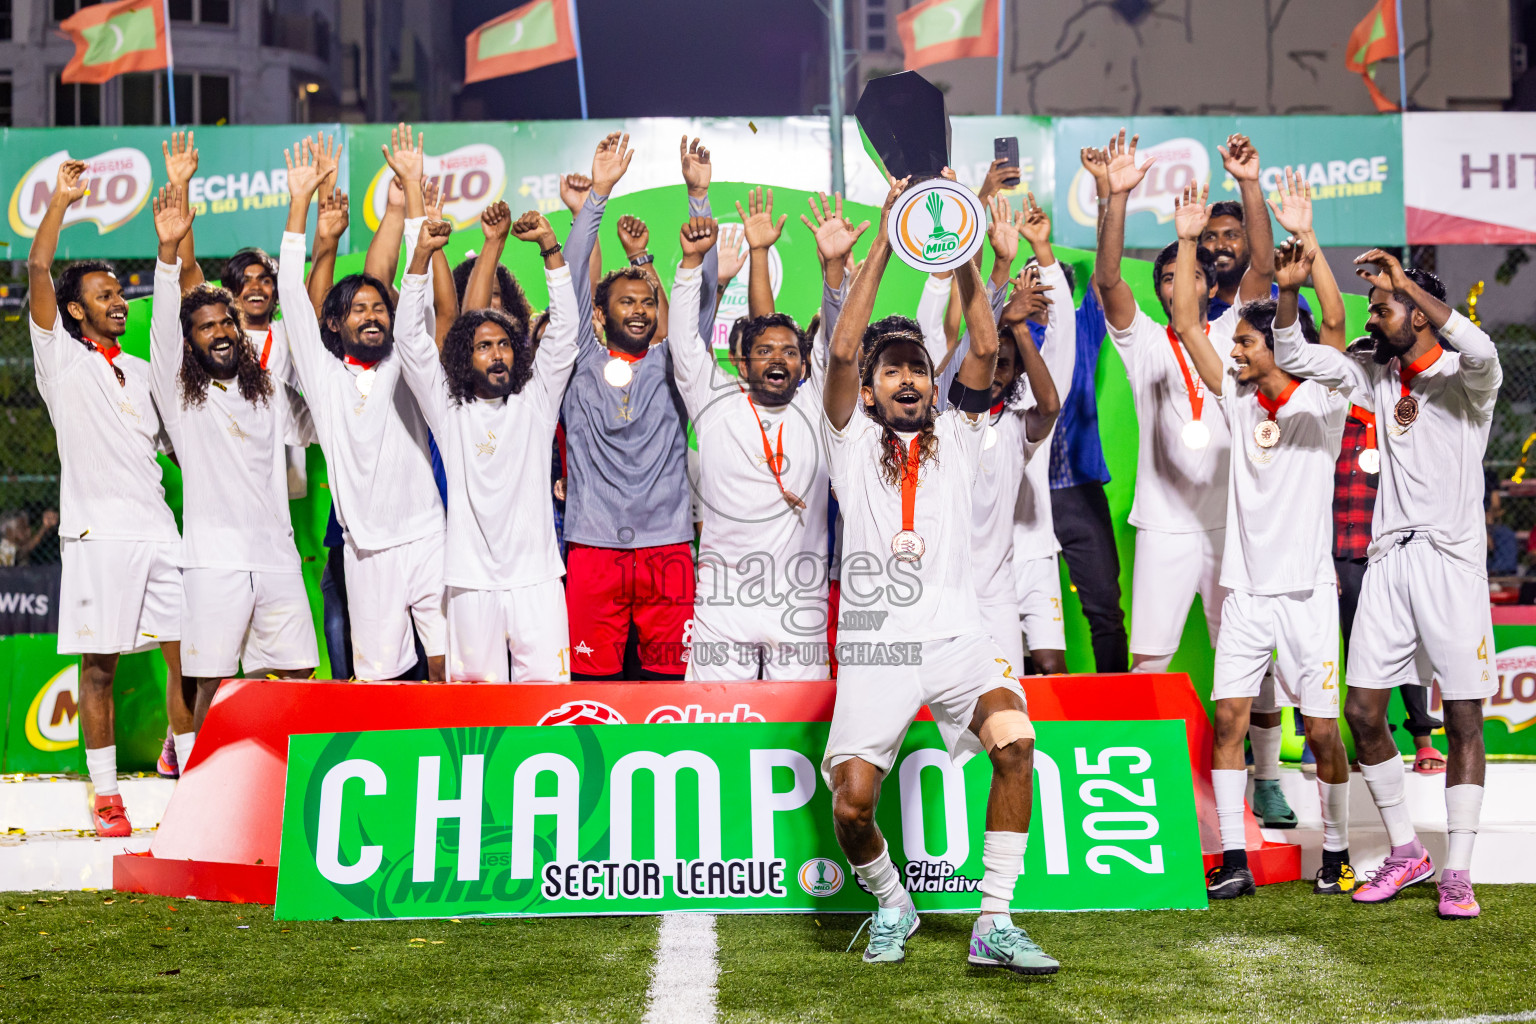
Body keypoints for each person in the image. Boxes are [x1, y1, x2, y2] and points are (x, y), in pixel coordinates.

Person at [822, 176, 1058, 976]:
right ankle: (893, 902)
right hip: (878, 646)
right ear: (873, 387)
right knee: (852, 805)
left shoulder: (958, 432)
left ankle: (995, 919)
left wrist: (960, 250)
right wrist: (891, 233)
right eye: (892, 372)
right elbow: (845, 349)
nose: (906, 379)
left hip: (959, 636)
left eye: (916, 366)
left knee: (1016, 744)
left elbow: (986, 348)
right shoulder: (848, 441)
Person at [1273, 246, 1500, 919]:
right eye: (1371, 306)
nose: (1372, 316)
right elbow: (1294, 354)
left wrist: (1406, 282)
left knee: (1462, 717)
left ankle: (1457, 871)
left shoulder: (1467, 380)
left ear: (1421, 314)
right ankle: (1409, 851)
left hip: (1452, 567)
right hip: (1388, 562)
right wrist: (1289, 292)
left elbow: (1482, 348)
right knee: (1363, 713)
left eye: (1384, 305)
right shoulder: (1376, 376)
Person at [1093, 130, 1294, 825]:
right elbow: (1109, 280)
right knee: (1150, 659)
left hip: (1234, 526)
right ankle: (1153, 784)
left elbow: (1264, 264)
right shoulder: (1145, 338)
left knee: (1250, 663)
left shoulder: (1238, 328)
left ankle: (1264, 776)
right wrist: (1115, 197)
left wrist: (1247, 185)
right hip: (1166, 528)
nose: (1180, 284)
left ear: (1212, 286)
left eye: (1190, 276)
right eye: (1170, 278)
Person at [1169, 183, 1356, 899]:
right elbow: (1188, 324)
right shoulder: (1237, 399)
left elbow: (1333, 323)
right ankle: (1233, 858)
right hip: (1246, 594)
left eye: (1244, 343)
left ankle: (1335, 851)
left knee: (1324, 731)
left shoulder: (1324, 403)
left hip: (1308, 595)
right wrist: (1187, 240)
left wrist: (1304, 246)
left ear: (1277, 344)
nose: (1235, 353)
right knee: (1228, 724)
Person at [26, 160, 186, 837]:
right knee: (99, 667)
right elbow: (38, 272)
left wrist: (171, 245)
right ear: (73, 309)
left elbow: (180, 444)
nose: (119, 300)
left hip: (159, 532)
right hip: (96, 537)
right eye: (103, 293)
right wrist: (60, 202)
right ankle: (106, 792)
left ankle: (189, 757)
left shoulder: (144, 372)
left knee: (192, 648)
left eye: (121, 291)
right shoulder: (60, 360)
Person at [148, 181, 318, 735]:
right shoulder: (179, 395)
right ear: (190, 339)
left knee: (297, 670)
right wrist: (170, 253)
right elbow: (162, 333)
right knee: (210, 681)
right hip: (213, 560)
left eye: (225, 323)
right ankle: (200, 783)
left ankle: (284, 788)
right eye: (205, 327)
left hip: (277, 556)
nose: (219, 332)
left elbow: (322, 423)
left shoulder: (267, 390)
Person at [279, 134, 447, 682]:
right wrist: (300, 203)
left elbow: (416, 288)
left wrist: (415, 197)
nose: (372, 315)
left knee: (450, 664)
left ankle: (462, 764)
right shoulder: (323, 377)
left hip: (428, 536)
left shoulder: (406, 361)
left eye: (379, 307)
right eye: (358, 309)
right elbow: (291, 293)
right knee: (380, 679)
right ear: (334, 324)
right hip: (366, 551)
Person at [671, 193, 857, 680]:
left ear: (802, 362)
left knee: (801, 738)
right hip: (721, 603)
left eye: (791, 352)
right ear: (742, 360)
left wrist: (833, 272)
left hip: (800, 605)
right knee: (712, 726)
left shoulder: (817, 405)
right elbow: (683, 342)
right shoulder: (714, 405)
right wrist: (691, 265)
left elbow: (840, 348)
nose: (779, 358)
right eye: (765, 350)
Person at [395, 204, 579, 682]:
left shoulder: (536, 402)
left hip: (537, 579)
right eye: (483, 345)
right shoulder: (447, 409)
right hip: (470, 584)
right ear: (463, 355)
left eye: (503, 344)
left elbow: (564, 334)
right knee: (475, 713)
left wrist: (549, 248)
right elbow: (410, 340)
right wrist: (419, 257)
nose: (497, 354)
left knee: (548, 706)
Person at [559, 134, 718, 679]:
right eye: (626, 301)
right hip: (593, 550)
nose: (640, 310)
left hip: (668, 549)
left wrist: (699, 198)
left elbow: (703, 298)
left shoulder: (673, 362)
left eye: (648, 301)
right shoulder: (578, 355)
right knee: (589, 694)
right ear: (600, 316)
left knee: (668, 688)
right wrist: (598, 194)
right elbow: (573, 278)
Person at [1048, 148, 1126, 673]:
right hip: (1018, 494)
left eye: (1052, 278)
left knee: (1103, 606)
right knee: (1013, 609)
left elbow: (1105, 274)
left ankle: (1115, 711)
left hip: (1077, 490)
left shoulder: (1084, 328)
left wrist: (1105, 193)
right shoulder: (1000, 343)